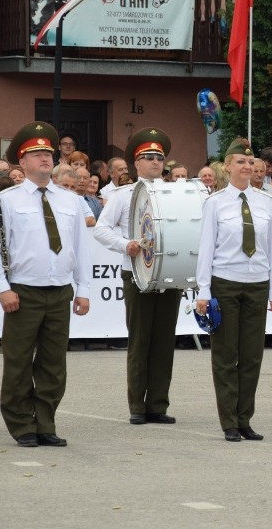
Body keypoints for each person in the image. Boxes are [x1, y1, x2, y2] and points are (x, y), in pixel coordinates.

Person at [0, 121, 91, 448]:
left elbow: (80, 247)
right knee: (17, 362)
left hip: (59, 291)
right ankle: (21, 423)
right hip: (23, 291)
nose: (45, 158)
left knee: (53, 364)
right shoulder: (8, 200)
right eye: (36, 153)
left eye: (48, 152)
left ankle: (45, 421)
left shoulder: (70, 201)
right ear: (22, 160)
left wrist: (83, 289)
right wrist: (3, 287)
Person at [94, 128, 181, 426]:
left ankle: (158, 403)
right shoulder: (123, 195)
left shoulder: (174, 193)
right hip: (137, 273)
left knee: (164, 341)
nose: (155, 162)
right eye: (148, 157)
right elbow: (101, 229)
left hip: (168, 274)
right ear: (136, 163)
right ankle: (137, 406)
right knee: (140, 340)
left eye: (159, 157)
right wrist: (125, 245)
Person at [195, 138, 272, 442]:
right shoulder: (215, 203)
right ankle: (229, 420)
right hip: (225, 283)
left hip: (256, 282)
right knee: (226, 354)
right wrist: (203, 291)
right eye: (240, 162)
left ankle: (245, 418)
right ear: (228, 166)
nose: (247, 166)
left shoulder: (266, 201)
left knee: (252, 356)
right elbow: (205, 249)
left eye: (250, 162)